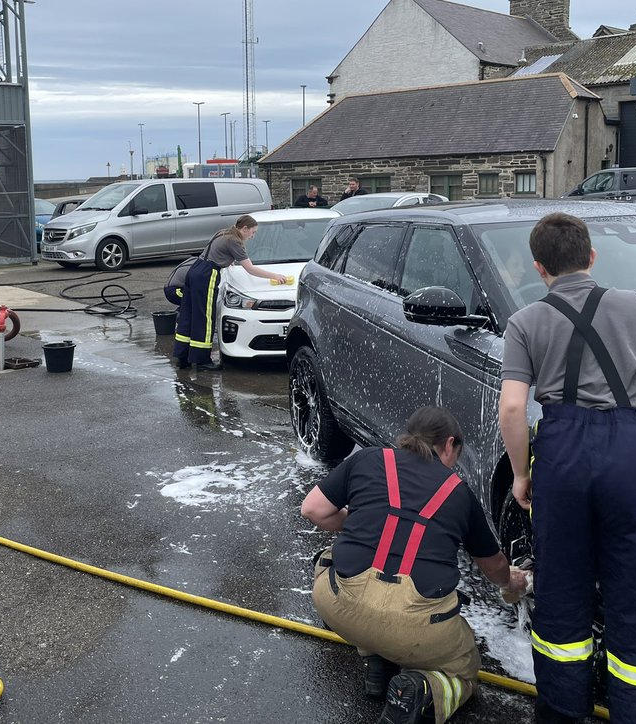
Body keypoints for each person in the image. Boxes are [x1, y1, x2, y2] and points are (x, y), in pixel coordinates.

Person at [498, 213, 636, 724]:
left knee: (563, 585)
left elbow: (514, 409)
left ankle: (564, 711)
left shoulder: (525, 322)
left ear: (539, 268)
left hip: (561, 454)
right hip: (630, 451)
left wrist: (522, 475)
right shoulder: (635, 304)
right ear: (591, 257)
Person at [302, 407, 529, 724]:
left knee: (330, 559)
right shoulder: (459, 493)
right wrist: (513, 582)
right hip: (417, 631)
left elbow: (313, 510)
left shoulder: (367, 459)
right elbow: (494, 569)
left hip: (340, 608)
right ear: (449, 445)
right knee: (464, 668)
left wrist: (357, 524)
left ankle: (376, 660)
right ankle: (422, 689)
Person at [172, 215, 288, 371]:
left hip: (195, 270)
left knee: (188, 314)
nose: (252, 237)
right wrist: (275, 276)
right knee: (205, 318)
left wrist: (228, 259)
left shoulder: (224, 233)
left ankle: (182, 357)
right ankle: (201, 361)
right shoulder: (235, 241)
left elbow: (216, 251)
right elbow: (250, 268)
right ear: (244, 229)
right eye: (252, 232)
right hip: (207, 275)